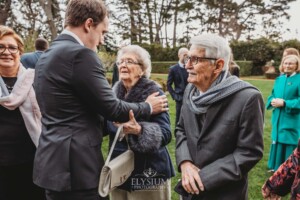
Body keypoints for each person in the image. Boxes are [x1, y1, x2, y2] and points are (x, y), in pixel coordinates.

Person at [32, 0, 168, 200]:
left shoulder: (46, 55)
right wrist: (148, 106)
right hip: (78, 166)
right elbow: (113, 108)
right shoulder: (80, 55)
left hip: (53, 162)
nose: (102, 40)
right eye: (103, 32)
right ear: (89, 24)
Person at [174, 34, 264, 200]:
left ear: (218, 65)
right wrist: (185, 163)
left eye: (195, 59)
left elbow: (249, 152)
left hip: (225, 193)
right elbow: (181, 129)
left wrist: (203, 177)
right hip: (190, 190)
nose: (187, 65)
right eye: (188, 58)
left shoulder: (248, 98)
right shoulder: (190, 90)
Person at [107, 45, 175, 200]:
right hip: (118, 169)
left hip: (148, 172)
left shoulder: (154, 93)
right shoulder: (112, 94)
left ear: (142, 69)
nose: (123, 65)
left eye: (129, 61)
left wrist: (139, 130)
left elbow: (166, 134)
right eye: (120, 62)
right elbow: (106, 124)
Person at [0, 25, 44, 200]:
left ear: (20, 52)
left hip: (32, 162)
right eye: (1, 47)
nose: (6, 52)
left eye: (12, 47)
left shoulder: (35, 81)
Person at [266, 54, 300, 172]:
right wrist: (272, 101)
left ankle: (289, 169)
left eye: (290, 63)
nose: (287, 66)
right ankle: (275, 166)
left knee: (288, 141)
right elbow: (272, 94)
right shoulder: (279, 79)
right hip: (278, 117)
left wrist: (285, 103)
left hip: (291, 118)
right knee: (277, 139)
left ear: (297, 65)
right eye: (285, 63)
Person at [167, 47, 189, 125]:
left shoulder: (190, 67)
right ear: (179, 55)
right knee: (179, 119)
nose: (187, 56)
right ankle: (177, 135)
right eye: (185, 54)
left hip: (190, 97)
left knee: (190, 118)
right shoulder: (173, 69)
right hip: (179, 98)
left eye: (188, 55)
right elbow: (168, 85)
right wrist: (175, 96)